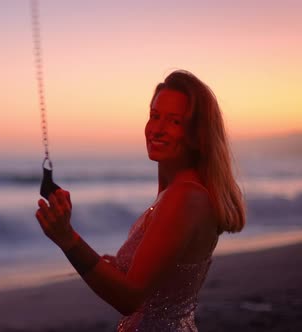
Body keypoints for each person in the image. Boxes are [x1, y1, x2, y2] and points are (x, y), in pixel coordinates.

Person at [35, 70, 246, 331]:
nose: (157, 129)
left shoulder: (185, 196)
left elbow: (129, 297)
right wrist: (116, 266)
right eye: (154, 116)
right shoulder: (180, 192)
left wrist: (68, 240)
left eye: (174, 121)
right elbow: (156, 277)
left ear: (197, 134)